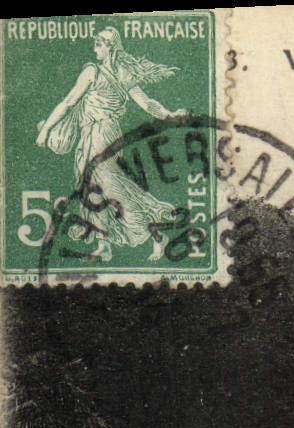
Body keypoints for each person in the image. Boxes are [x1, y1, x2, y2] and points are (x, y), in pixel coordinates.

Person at [36, 28, 187, 262]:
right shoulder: (93, 71)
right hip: (90, 135)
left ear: (112, 47)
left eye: (100, 43)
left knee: (112, 188)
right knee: (91, 188)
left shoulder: (106, 73)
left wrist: (169, 115)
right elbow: (68, 102)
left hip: (104, 134)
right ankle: (103, 244)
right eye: (95, 43)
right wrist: (46, 130)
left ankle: (155, 235)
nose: (95, 47)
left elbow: (146, 103)